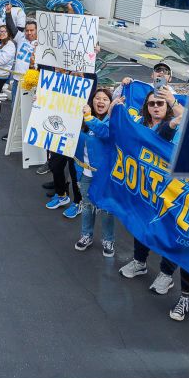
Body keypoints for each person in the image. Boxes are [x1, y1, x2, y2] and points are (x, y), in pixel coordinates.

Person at [105, 87, 189, 330]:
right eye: (152, 104)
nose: (156, 107)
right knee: (159, 230)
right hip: (162, 190)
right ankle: (180, 293)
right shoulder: (164, 125)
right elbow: (161, 137)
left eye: (161, 104)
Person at [74, 87, 118, 254]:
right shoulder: (81, 119)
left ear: (110, 103)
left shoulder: (111, 122)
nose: (100, 101)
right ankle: (86, 235)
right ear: (92, 101)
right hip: (85, 174)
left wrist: (88, 117)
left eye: (105, 99)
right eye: (97, 98)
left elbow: (105, 133)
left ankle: (108, 240)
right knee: (87, 206)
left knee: (106, 209)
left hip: (104, 177)